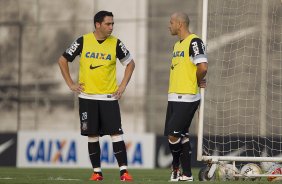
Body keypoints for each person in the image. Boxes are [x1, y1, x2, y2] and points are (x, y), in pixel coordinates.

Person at [58, 10, 135, 182]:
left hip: (109, 98)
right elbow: (62, 60)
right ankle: (97, 172)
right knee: (92, 135)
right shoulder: (82, 41)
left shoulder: (116, 43)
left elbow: (130, 64)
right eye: (108, 24)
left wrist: (122, 86)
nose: (111, 27)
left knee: (116, 134)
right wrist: (70, 83)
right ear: (97, 24)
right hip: (87, 98)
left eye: (112, 23)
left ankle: (124, 171)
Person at [164, 12, 208, 182]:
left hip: (188, 96)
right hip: (174, 96)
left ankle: (175, 167)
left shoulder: (195, 42)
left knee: (173, 136)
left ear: (180, 24)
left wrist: (197, 81)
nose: (169, 25)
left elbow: (202, 67)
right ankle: (187, 174)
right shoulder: (177, 45)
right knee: (181, 135)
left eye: (171, 22)